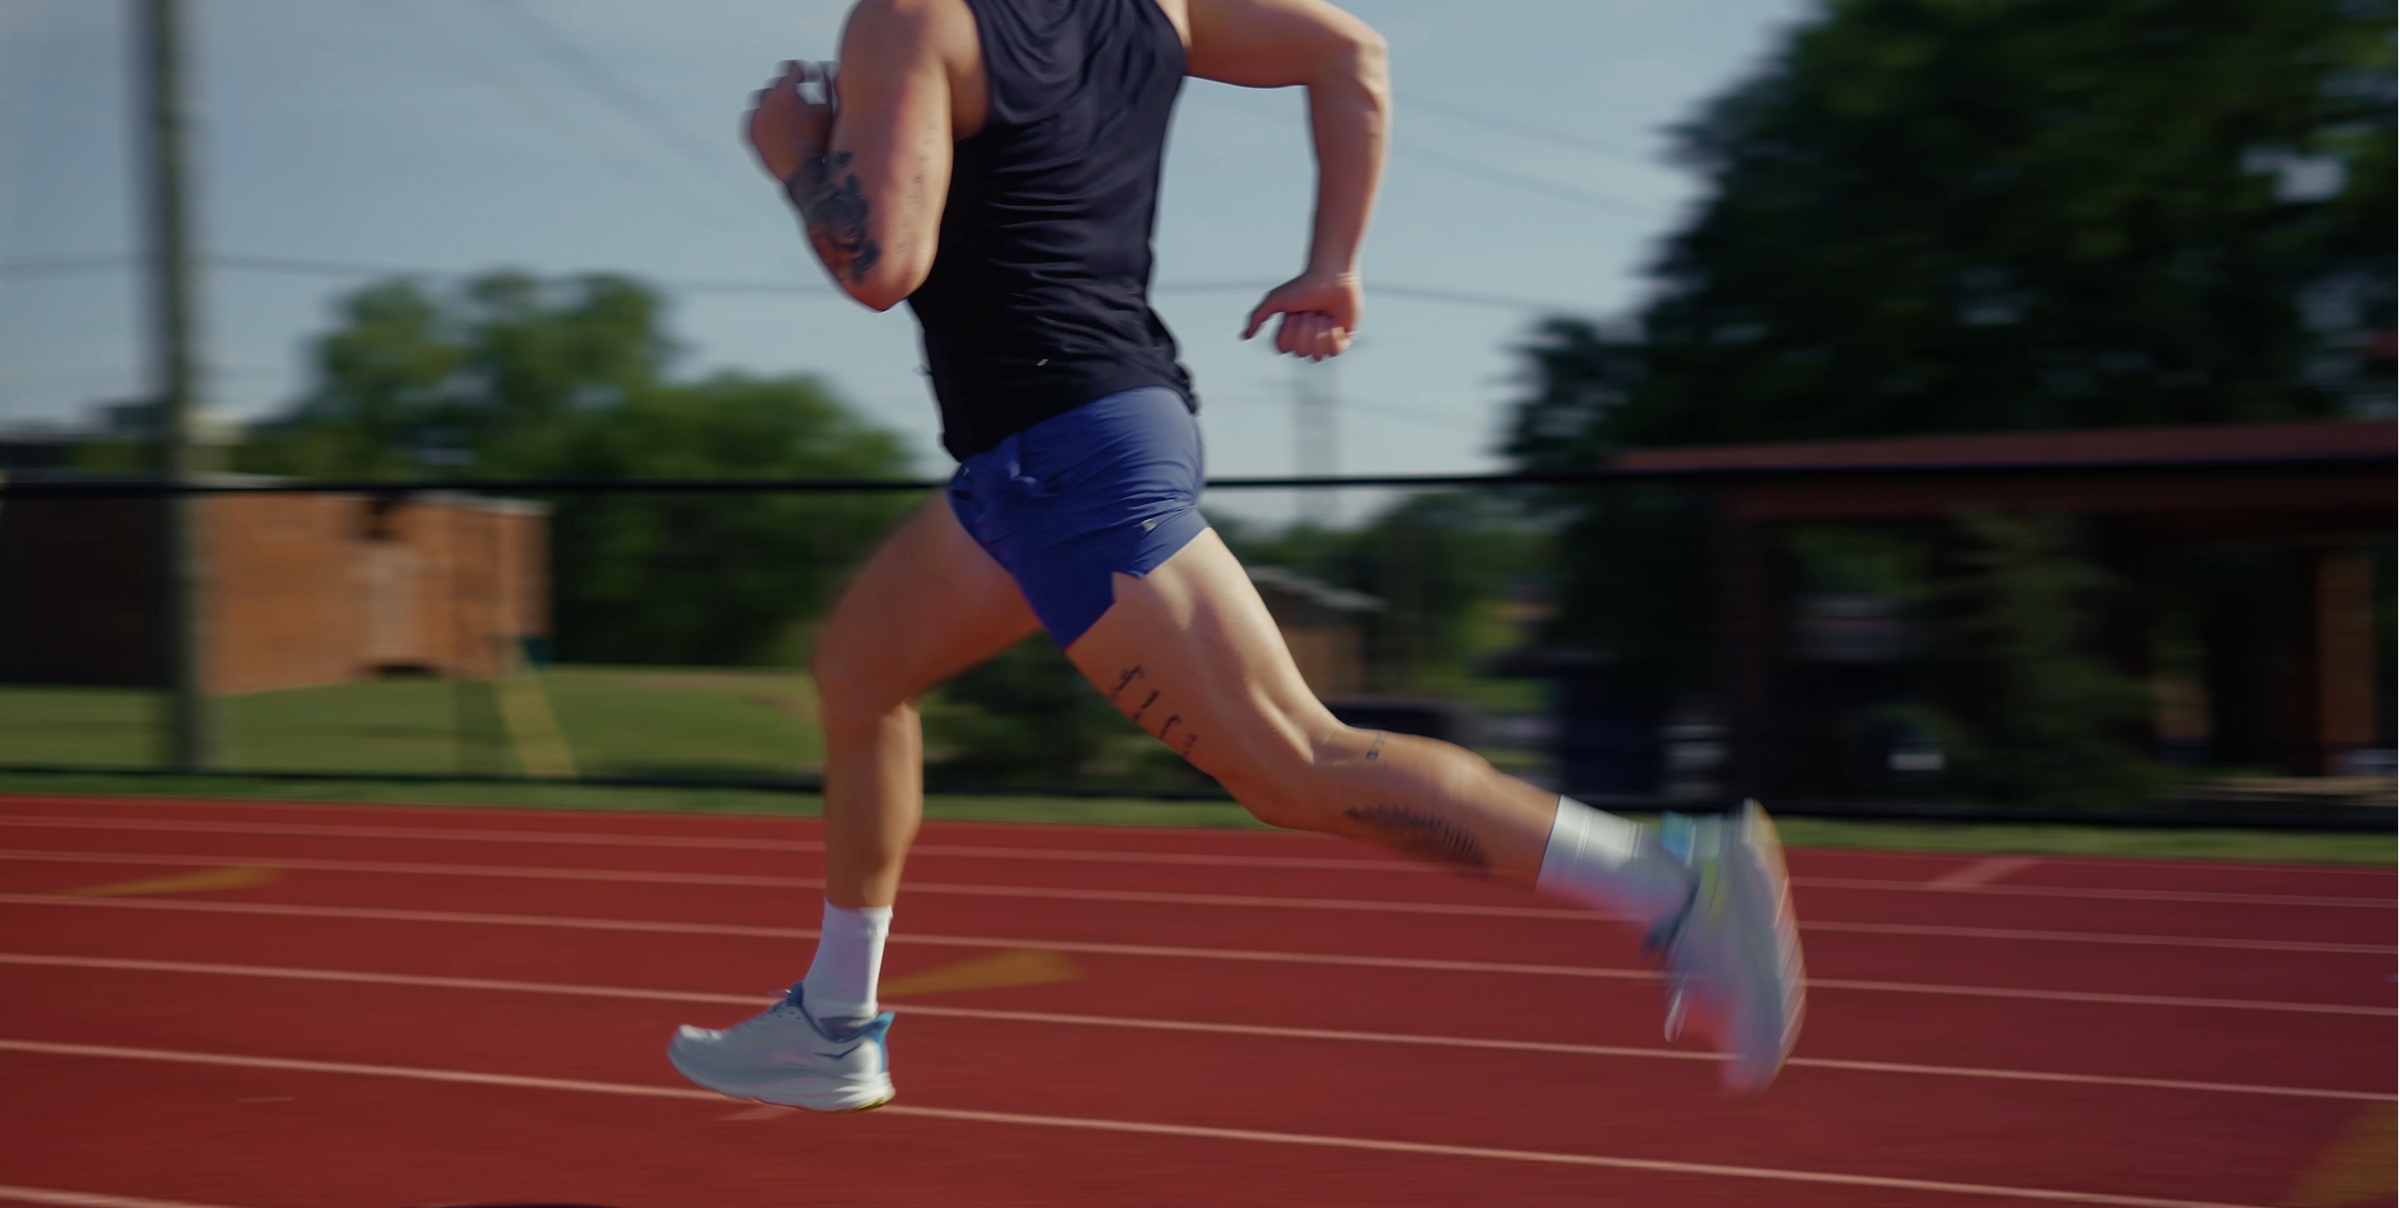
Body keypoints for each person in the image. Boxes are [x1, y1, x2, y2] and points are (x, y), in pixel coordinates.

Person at [667, 0, 1803, 1112]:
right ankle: (832, 1023)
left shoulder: (910, 21)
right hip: (1059, 446)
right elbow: (1348, 50)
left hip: (1064, 459)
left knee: (1296, 763)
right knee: (861, 676)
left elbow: (880, 263)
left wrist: (796, 154)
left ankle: (1669, 880)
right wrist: (1335, 263)